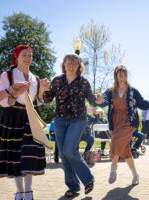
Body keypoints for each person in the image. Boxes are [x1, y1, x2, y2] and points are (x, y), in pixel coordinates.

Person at [0, 44, 50, 200]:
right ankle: (20, 191)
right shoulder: (8, 75)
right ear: (17, 57)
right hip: (12, 117)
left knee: (29, 155)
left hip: (30, 118)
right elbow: (3, 101)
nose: (28, 58)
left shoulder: (35, 78)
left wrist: (42, 92)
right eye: (24, 55)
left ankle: (28, 191)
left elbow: (37, 102)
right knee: (15, 155)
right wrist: (14, 91)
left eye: (30, 55)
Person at [43, 53, 100, 197]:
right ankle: (73, 187)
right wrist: (44, 89)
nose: (71, 66)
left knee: (69, 149)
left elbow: (92, 100)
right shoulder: (57, 81)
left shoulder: (83, 82)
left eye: (74, 64)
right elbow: (48, 98)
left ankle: (88, 178)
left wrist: (98, 100)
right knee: (63, 153)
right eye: (69, 63)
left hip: (78, 119)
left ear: (79, 66)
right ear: (64, 65)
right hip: (60, 120)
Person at [96, 64, 149, 185]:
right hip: (115, 122)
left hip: (129, 122)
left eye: (124, 75)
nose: (122, 78)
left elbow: (142, 104)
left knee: (115, 141)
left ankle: (113, 169)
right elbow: (103, 101)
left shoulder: (133, 91)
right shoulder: (111, 91)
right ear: (116, 76)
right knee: (126, 151)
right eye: (120, 75)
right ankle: (135, 175)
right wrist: (99, 100)